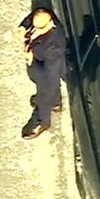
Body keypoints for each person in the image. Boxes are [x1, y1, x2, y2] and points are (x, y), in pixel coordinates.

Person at [19, 8, 66, 140]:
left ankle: (42, 121)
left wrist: (30, 59)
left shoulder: (54, 48)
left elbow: (50, 76)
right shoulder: (45, 18)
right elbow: (35, 15)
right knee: (46, 88)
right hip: (39, 59)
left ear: (49, 23)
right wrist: (24, 27)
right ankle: (55, 103)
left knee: (45, 94)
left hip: (45, 69)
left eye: (38, 28)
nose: (34, 30)